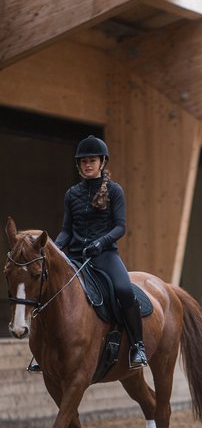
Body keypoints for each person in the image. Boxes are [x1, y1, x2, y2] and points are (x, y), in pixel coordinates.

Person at [28, 135, 147, 372]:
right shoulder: (72, 194)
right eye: (83, 162)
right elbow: (66, 229)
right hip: (75, 256)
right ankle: (42, 351)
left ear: (102, 162)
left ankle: (137, 345)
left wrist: (101, 242)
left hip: (105, 255)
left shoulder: (114, 191)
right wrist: (54, 247)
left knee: (124, 290)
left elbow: (120, 227)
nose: (87, 165)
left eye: (92, 160)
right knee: (47, 290)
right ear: (79, 166)